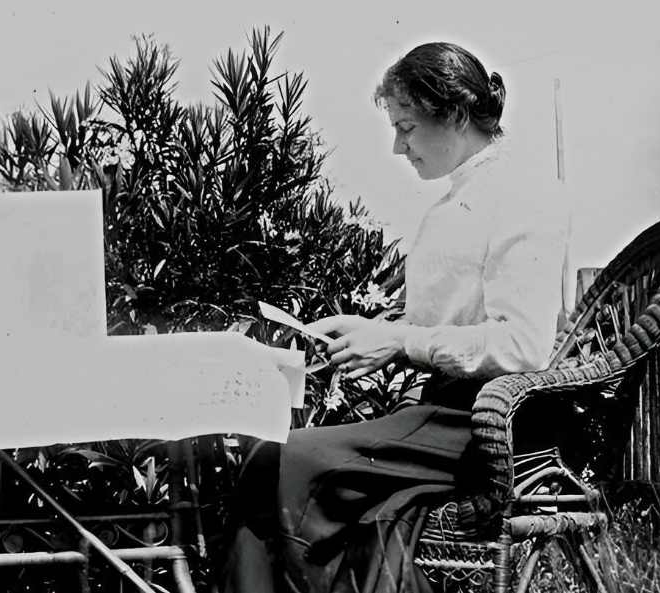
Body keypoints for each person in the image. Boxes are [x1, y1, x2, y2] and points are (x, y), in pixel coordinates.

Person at [225, 42, 571, 593]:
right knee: (269, 461)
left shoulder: (523, 194)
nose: (396, 146)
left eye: (406, 127)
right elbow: (432, 327)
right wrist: (371, 333)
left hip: (488, 424)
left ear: (455, 114)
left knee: (288, 461)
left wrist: (399, 342)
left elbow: (523, 347)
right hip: (441, 413)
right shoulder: (450, 204)